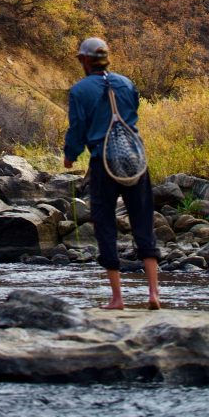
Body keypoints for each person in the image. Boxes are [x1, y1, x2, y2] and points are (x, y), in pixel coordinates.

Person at [63, 36, 161, 310]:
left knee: (105, 225)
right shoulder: (127, 83)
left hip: (102, 162)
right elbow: (133, 115)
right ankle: (154, 294)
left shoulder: (79, 91)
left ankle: (117, 298)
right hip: (135, 161)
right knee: (143, 221)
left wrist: (70, 155)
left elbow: (77, 128)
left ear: (84, 60)